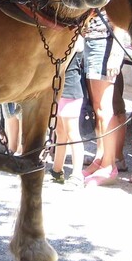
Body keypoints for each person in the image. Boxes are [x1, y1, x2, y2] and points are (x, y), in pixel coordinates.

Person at [81, 11, 130, 186]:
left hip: (104, 42)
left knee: (104, 108)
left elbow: (120, 15)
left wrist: (116, 53)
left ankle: (109, 165)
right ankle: (101, 159)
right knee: (98, 108)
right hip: (92, 41)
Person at [50, 47, 86, 189]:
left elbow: (61, 59)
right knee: (60, 133)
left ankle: (77, 175)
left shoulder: (77, 41)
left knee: (73, 134)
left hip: (70, 92)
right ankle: (57, 170)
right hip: (59, 91)